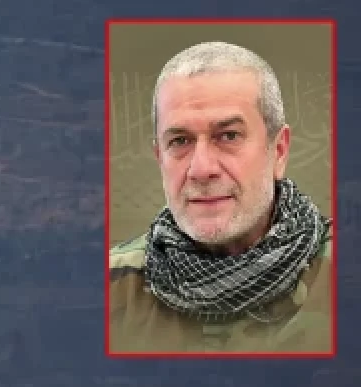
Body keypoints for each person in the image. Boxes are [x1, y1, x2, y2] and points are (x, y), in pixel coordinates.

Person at [109, 41, 332, 354]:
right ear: (160, 158)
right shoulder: (112, 286)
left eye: (228, 136)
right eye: (180, 141)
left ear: (278, 151)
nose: (201, 169)